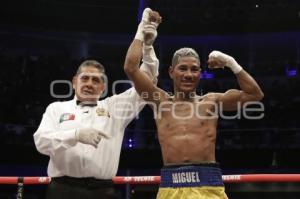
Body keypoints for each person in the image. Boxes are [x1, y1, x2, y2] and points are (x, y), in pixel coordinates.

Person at [124, 16, 264, 199]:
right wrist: (141, 30)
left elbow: (255, 94)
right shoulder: (160, 102)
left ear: (200, 73)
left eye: (194, 69)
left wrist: (231, 63)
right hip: (170, 187)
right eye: (183, 68)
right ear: (171, 72)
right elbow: (131, 68)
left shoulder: (212, 102)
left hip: (209, 186)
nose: (188, 74)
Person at [33, 8, 162, 199]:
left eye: (96, 80)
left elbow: (146, 84)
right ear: (74, 82)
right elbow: (41, 142)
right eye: (85, 79)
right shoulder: (56, 109)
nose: (89, 84)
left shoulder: (115, 108)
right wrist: (74, 135)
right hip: (62, 190)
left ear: (103, 87)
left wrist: (147, 46)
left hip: (102, 191)